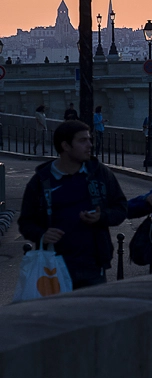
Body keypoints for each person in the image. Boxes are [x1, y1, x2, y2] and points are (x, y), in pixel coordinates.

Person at [17, 120, 128, 289]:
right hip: (53, 267)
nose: (90, 145)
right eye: (82, 140)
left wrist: (102, 216)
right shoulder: (41, 181)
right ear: (66, 146)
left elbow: (121, 208)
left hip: (93, 267)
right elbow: (25, 222)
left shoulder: (100, 174)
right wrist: (42, 234)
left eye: (89, 139)